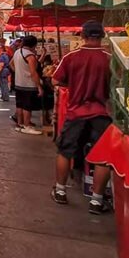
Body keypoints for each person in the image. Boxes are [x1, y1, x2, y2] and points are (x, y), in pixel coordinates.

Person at [51, 21, 113, 214]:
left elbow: (55, 79)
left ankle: (60, 190)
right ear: (102, 36)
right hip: (102, 113)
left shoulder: (71, 57)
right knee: (102, 157)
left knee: (65, 151)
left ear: (82, 36)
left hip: (76, 112)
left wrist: (72, 83)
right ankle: (96, 200)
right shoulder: (111, 59)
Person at [11, 35, 43, 135]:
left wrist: (19, 72)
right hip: (28, 85)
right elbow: (33, 72)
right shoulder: (30, 55)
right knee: (27, 106)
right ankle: (27, 126)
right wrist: (39, 86)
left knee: (19, 105)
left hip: (18, 83)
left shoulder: (17, 52)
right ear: (34, 44)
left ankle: (19, 125)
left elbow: (10, 63)